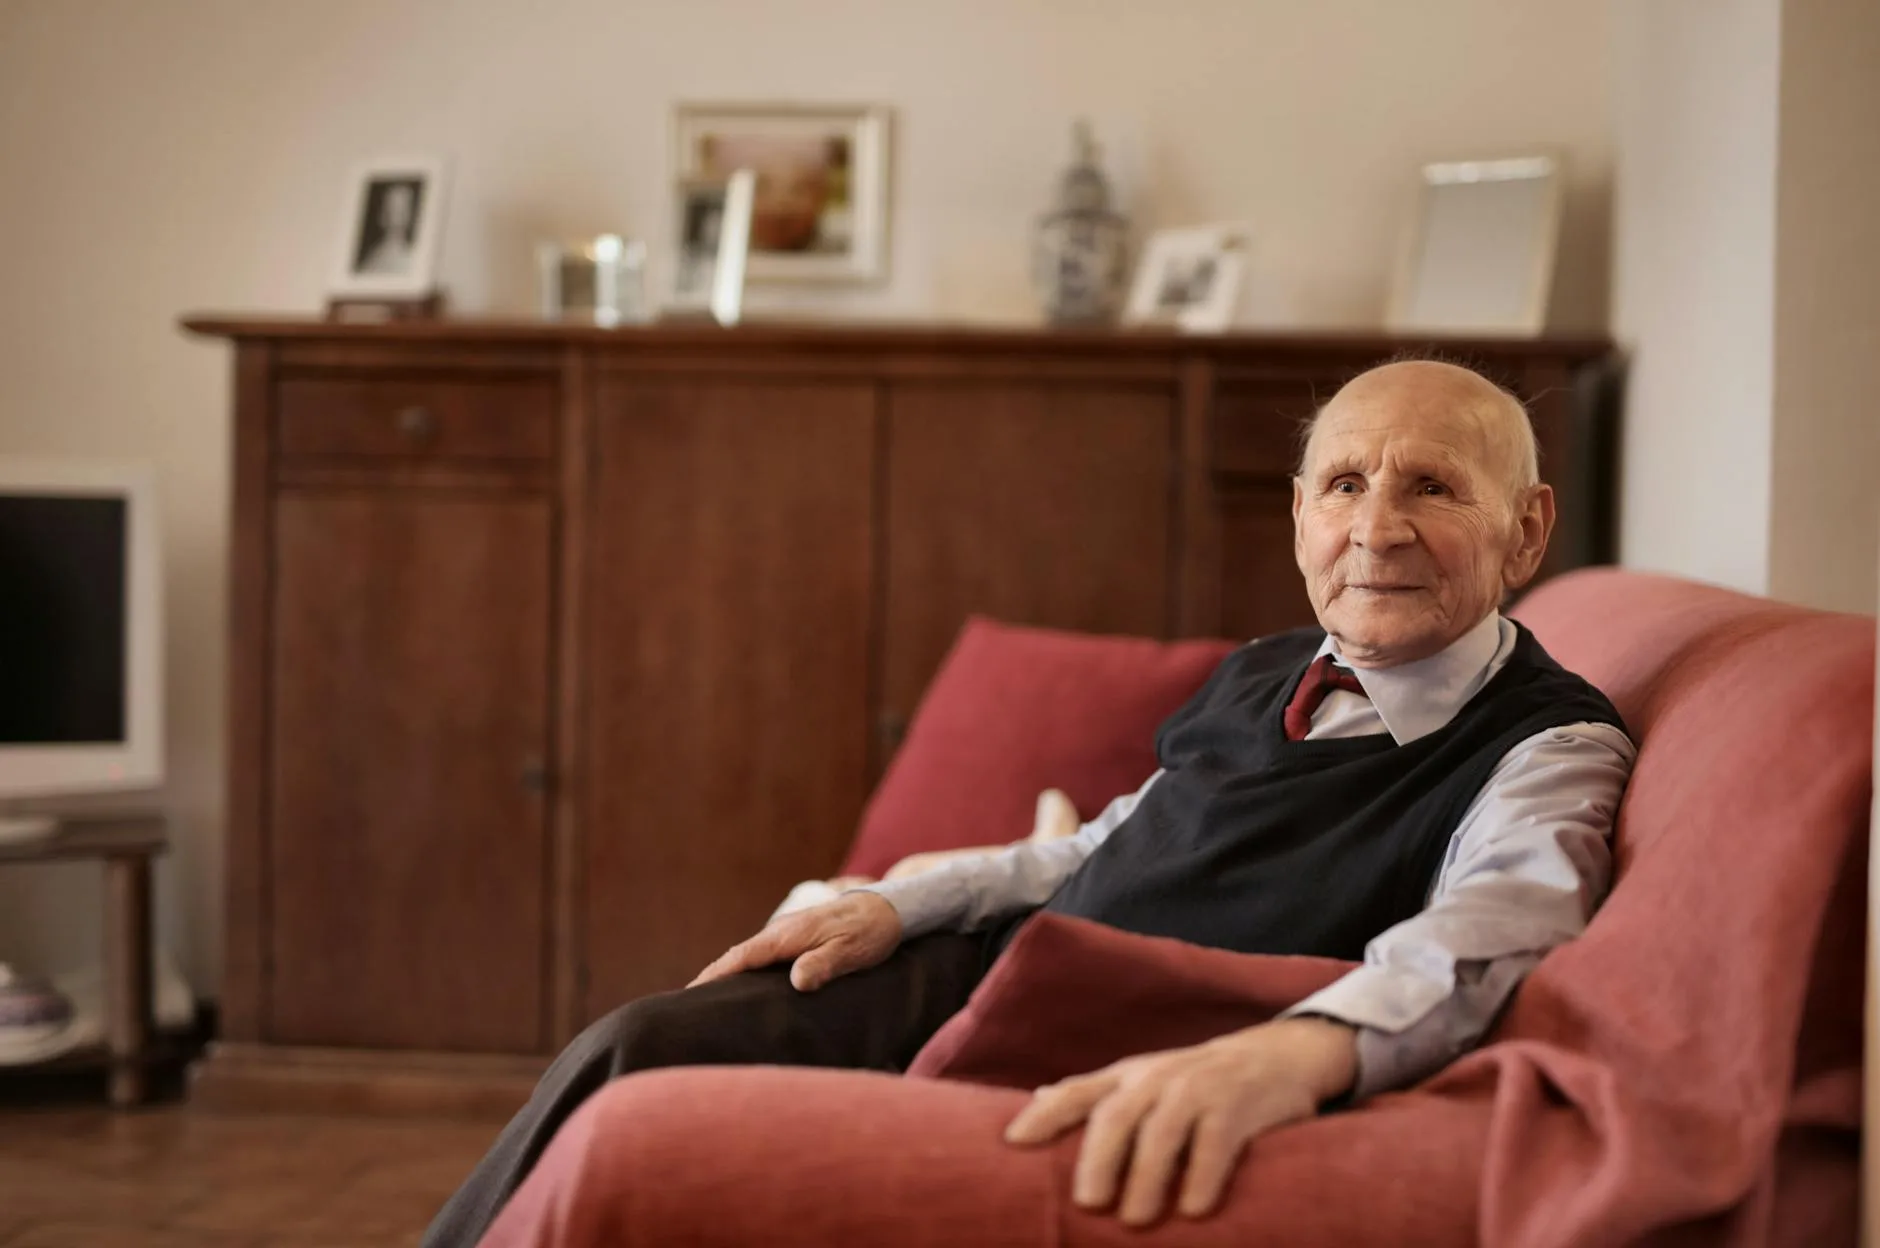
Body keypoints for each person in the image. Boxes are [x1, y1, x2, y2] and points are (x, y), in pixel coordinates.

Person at [423, 359, 1634, 1245]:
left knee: (654, 1139)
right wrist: (902, 902)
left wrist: (1296, 1052)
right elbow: (1117, 835)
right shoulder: (1272, 663)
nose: (1375, 528)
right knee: (634, 1045)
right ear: (1299, 515)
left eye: (1431, 487)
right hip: (993, 965)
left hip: (1110, 1034)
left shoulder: (1547, 739)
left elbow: (1492, 928)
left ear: (1524, 532)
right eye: (1344, 483)